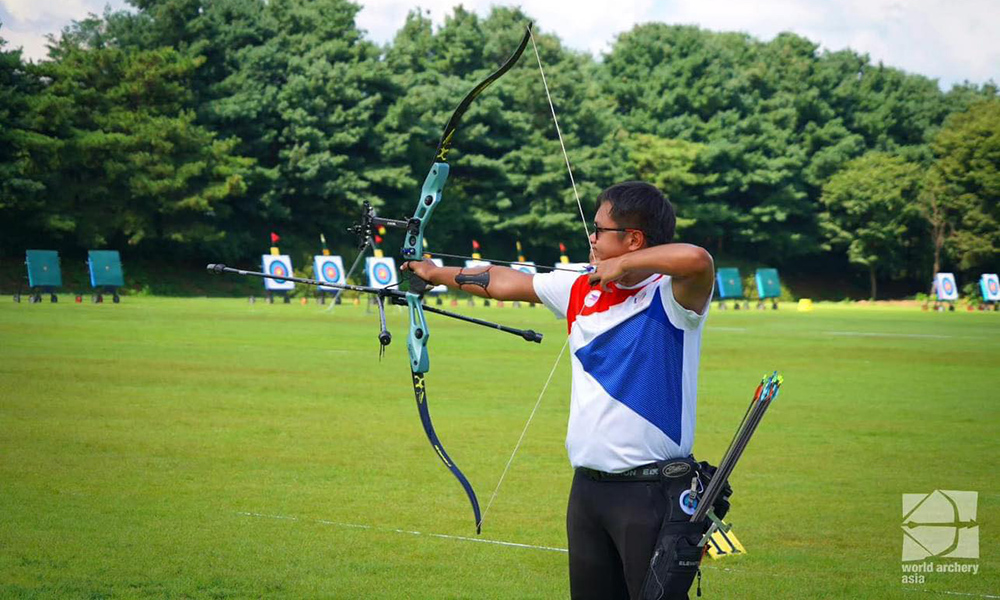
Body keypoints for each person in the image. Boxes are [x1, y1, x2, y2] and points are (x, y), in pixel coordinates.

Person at [402, 181, 716, 600]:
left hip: (650, 496)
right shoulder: (578, 288)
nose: (591, 236)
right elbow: (501, 280)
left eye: (600, 229)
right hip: (587, 493)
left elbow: (697, 259)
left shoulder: (672, 297)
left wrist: (623, 267)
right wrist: (434, 273)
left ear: (633, 239)